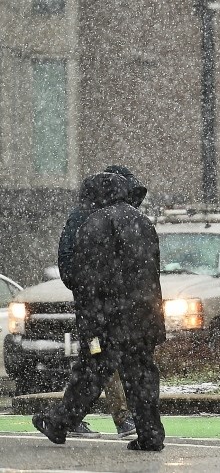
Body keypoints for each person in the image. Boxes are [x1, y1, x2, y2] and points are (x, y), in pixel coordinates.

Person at [32, 170, 167, 451]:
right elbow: (152, 272)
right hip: (143, 316)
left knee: (90, 372)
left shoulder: (93, 225)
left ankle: (59, 424)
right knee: (141, 375)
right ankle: (150, 434)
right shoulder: (143, 222)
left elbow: (87, 282)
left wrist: (90, 323)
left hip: (108, 318)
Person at [56, 166, 141, 440]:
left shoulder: (109, 217)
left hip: (107, 304)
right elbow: (70, 263)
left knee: (96, 359)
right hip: (95, 306)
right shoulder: (85, 218)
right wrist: (89, 288)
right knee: (100, 357)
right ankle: (121, 418)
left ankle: (70, 417)